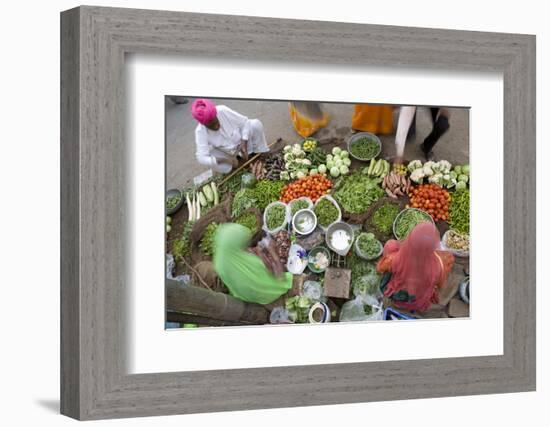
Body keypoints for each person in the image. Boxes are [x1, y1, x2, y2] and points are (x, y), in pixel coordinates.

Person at [376, 222, 454, 313]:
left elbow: (380, 269)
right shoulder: (439, 266)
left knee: (391, 245)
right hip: (416, 300)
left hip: (399, 297)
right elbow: (439, 285)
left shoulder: (393, 260)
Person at [213, 223, 292, 305]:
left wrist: (256, 252)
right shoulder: (253, 263)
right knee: (282, 235)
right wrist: (271, 250)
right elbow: (279, 275)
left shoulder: (219, 263)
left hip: (255, 297)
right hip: (272, 290)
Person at [191, 99, 270, 173]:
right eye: (211, 126)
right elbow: (201, 157)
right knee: (210, 156)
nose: (215, 127)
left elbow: (245, 122)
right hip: (228, 154)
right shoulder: (200, 131)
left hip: (240, 143)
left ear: (216, 114)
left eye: (216, 122)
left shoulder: (222, 110)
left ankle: (259, 152)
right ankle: (235, 166)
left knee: (255, 124)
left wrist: (244, 142)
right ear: (204, 124)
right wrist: (220, 160)